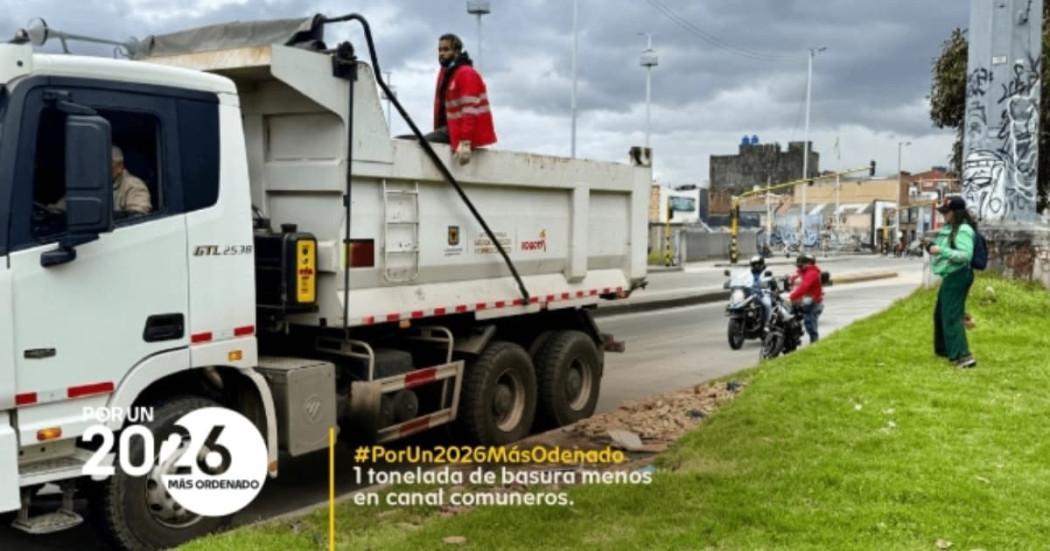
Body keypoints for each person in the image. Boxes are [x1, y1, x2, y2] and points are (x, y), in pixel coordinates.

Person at [425, 33, 496, 165]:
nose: (441, 53)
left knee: (419, 143)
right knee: (410, 140)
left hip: (459, 133)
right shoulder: (445, 74)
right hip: (449, 131)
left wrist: (465, 141)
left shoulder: (466, 74)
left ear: (457, 52)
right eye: (439, 50)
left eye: (446, 49)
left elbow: (469, 110)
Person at [927, 196, 977, 368]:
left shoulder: (963, 229)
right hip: (952, 275)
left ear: (956, 212)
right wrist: (932, 246)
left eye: (946, 212)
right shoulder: (951, 228)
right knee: (940, 313)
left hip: (958, 275)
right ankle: (945, 349)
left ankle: (963, 356)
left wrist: (940, 250)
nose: (944, 215)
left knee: (951, 316)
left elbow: (965, 255)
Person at [49, 145, 151, 216]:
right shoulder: (87, 183)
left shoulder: (133, 185)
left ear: (120, 167)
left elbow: (139, 215)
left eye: (104, 163)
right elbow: (61, 208)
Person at [788, 253, 824, 343]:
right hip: (801, 301)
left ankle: (814, 343)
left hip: (812, 302)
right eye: (798, 264)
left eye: (801, 264)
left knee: (810, 324)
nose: (799, 266)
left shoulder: (812, 272)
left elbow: (804, 286)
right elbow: (793, 278)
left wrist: (792, 297)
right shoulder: (802, 271)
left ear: (808, 263)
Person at [748, 255, 772, 326]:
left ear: (762, 264)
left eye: (758, 264)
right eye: (754, 264)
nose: (756, 266)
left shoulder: (766, 271)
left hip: (763, 294)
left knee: (767, 304)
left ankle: (768, 322)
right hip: (750, 294)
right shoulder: (749, 272)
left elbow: (770, 279)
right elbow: (742, 278)